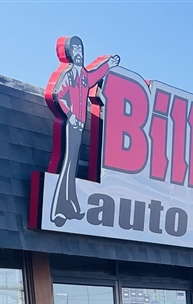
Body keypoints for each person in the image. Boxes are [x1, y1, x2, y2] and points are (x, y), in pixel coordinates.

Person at [45, 36, 119, 227]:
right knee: (66, 165)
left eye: (80, 50)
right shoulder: (68, 74)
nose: (78, 54)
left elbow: (94, 76)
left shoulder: (83, 75)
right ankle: (57, 209)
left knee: (71, 165)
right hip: (70, 125)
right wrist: (70, 115)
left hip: (78, 127)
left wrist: (108, 65)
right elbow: (58, 95)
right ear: (67, 52)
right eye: (75, 50)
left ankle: (70, 206)